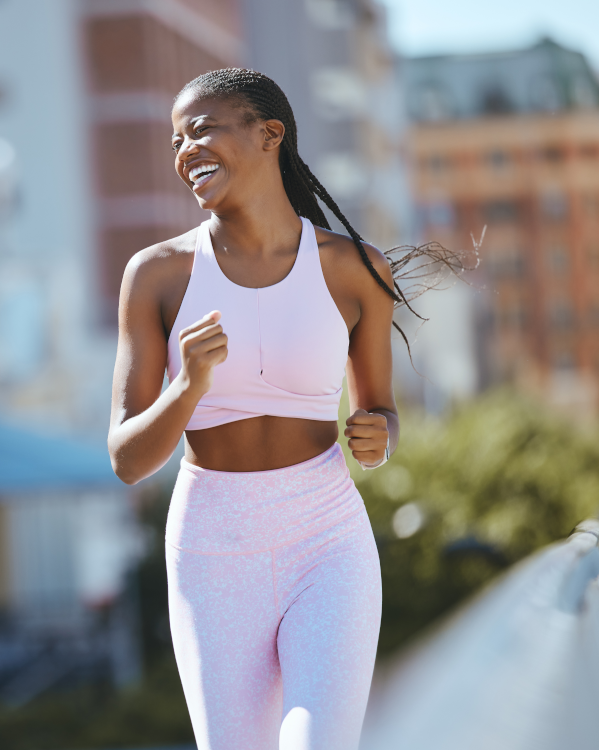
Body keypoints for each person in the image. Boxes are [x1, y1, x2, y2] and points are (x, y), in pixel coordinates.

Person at [107, 69, 413, 749]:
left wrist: (379, 436)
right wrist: (188, 386)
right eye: (176, 140)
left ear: (269, 134)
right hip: (211, 548)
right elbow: (127, 460)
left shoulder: (356, 268)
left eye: (201, 129)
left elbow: (382, 411)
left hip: (326, 538)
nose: (185, 149)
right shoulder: (157, 273)